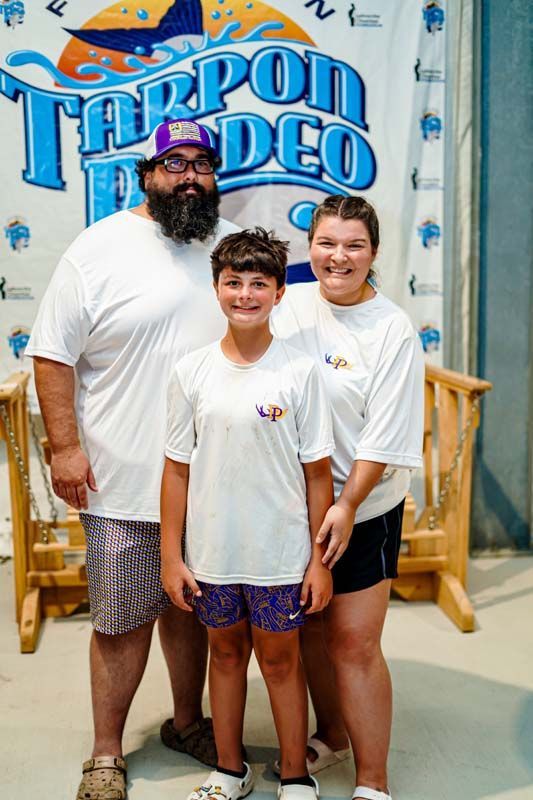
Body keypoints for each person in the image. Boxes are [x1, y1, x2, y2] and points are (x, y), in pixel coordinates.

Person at [25, 119, 240, 800]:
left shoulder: (227, 244)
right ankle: (106, 753)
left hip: (209, 483)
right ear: (147, 172)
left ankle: (185, 722)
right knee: (120, 620)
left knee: (190, 611)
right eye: (174, 163)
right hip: (121, 479)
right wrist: (63, 447)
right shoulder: (100, 247)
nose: (190, 176)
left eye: (202, 163)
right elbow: (52, 352)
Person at [160, 228, 337, 800]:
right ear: (216, 288)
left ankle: (294, 774)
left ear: (280, 292)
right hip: (212, 552)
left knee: (282, 661)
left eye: (258, 283)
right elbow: (176, 470)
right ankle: (229, 771)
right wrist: (171, 556)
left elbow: (317, 475)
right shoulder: (191, 372)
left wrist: (319, 562)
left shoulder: (302, 372)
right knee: (226, 652)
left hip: (280, 554)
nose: (244, 294)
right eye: (233, 282)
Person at [271, 195, 425, 800]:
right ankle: (331, 733)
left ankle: (373, 783)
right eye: (327, 243)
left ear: (374, 253)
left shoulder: (391, 329)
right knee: (310, 628)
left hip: (365, 505)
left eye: (354, 245)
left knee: (354, 643)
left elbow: (384, 437)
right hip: (291, 503)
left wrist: (346, 505)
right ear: (309, 246)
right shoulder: (288, 306)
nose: (339, 257)